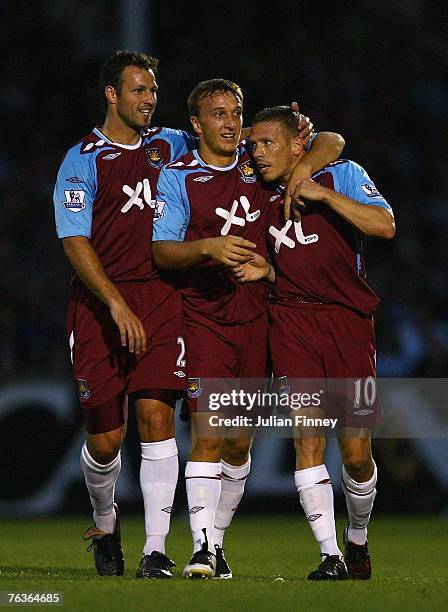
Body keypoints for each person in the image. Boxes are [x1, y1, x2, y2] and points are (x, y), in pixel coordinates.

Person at [152, 81, 344, 579]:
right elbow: (161, 251)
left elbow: (331, 141)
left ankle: (217, 544)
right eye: (218, 114)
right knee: (209, 434)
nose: (231, 123)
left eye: (235, 112)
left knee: (241, 445)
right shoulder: (180, 177)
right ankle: (201, 548)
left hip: (260, 318)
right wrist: (209, 247)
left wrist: (302, 166)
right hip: (204, 318)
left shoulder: (257, 160)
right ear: (196, 125)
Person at [53, 50, 201, 580]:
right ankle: (104, 518)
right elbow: (74, 239)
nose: (148, 99)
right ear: (111, 94)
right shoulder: (82, 159)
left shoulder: (172, 145)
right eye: (138, 90)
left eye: (154, 90)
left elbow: (241, 141)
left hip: (162, 299)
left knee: (157, 418)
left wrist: (307, 135)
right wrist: (116, 303)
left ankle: (155, 550)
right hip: (99, 305)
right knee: (106, 440)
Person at [233, 105, 395, 580]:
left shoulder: (342, 174)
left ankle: (358, 537)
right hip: (291, 320)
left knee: (357, 454)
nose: (257, 153)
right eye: (254, 144)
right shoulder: (255, 190)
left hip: (349, 323)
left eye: (267, 144)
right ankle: (330, 556)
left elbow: (384, 225)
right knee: (308, 442)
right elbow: (218, 136)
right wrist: (268, 270)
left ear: (297, 145)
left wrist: (320, 193)